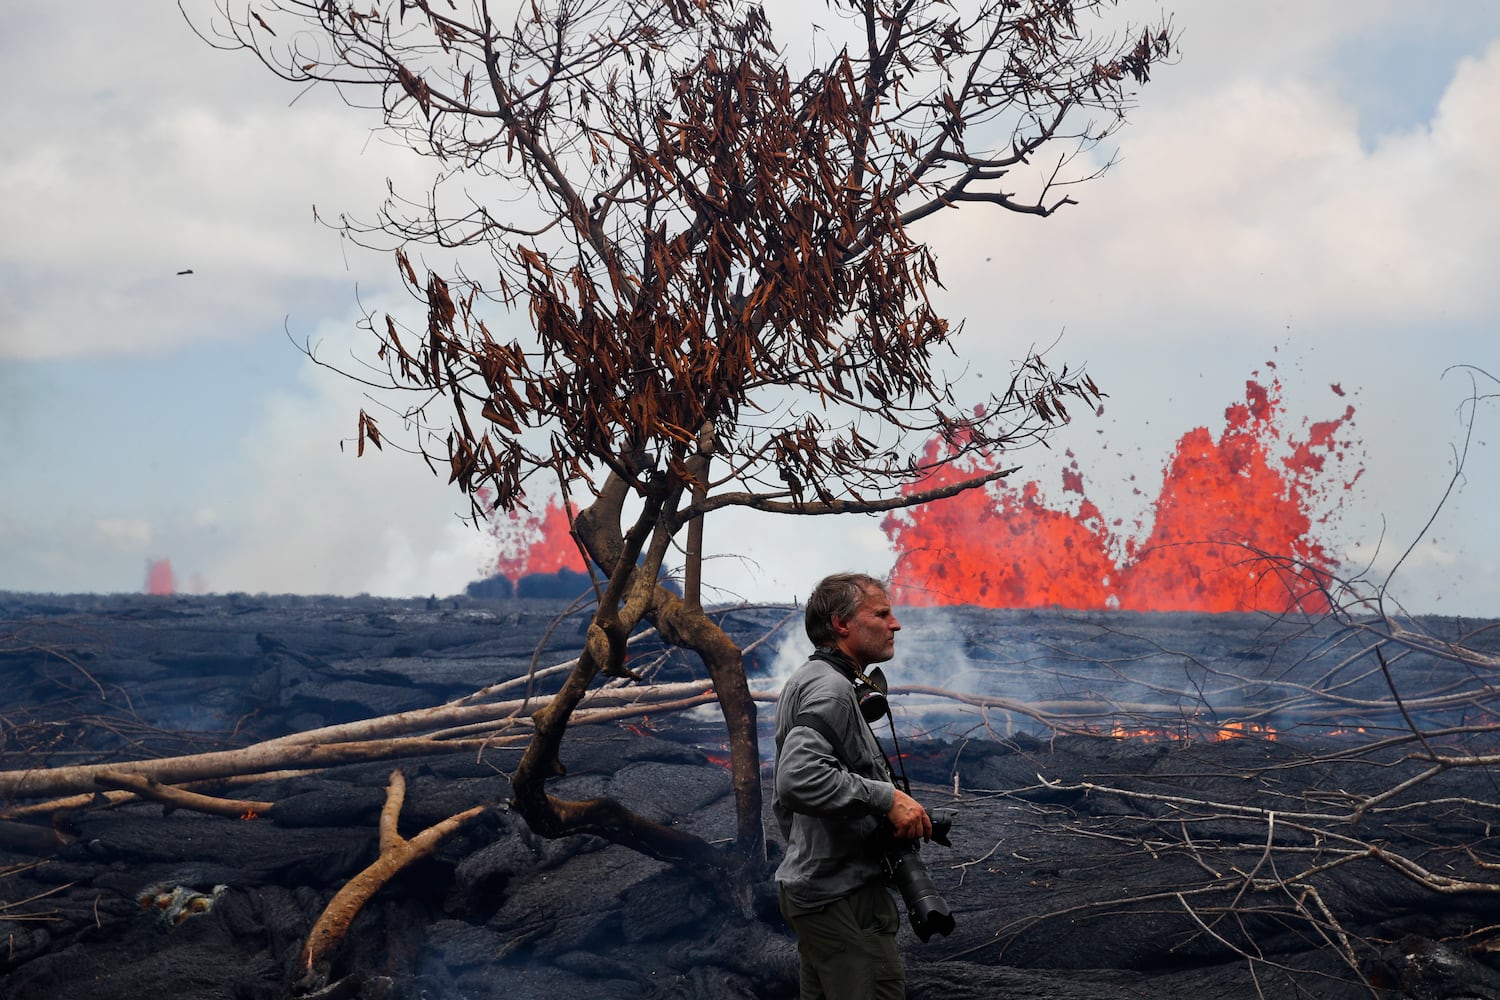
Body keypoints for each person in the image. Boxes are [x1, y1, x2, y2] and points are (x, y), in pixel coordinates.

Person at [773, 572, 933, 1000]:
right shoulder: (830, 688)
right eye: (880, 614)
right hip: (842, 900)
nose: (894, 623)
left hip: (825, 892)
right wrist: (888, 798)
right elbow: (798, 778)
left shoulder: (815, 680)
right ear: (842, 624)